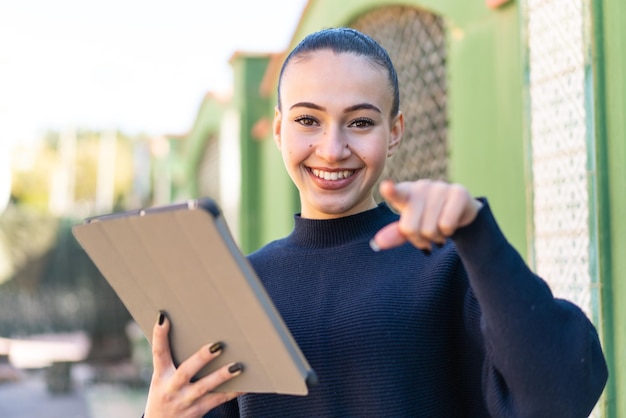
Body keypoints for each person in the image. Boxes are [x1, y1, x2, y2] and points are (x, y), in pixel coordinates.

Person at [143, 28, 608, 417]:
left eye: (361, 123)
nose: (332, 148)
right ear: (280, 128)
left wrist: (477, 233)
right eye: (309, 120)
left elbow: (559, 396)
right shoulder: (240, 286)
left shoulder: (449, 268)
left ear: (395, 131)